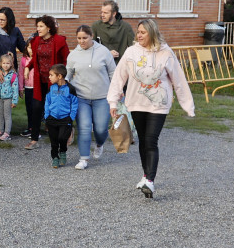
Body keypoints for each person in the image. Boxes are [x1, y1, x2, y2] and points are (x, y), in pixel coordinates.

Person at [107, 19, 195, 198]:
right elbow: (118, 78)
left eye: (143, 32)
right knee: (144, 141)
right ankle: (146, 175)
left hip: (159, 104)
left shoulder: (166, 52)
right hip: (136, 103)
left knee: (151, 140)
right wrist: (113, 102)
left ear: (152, 33)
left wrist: (187, 105)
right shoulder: (131, 52)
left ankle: (150, 182)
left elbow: (178, 80)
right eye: (138, 32)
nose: (138, 35)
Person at [65, 25, 116, 170]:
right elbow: (68, 74)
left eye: (85, 38)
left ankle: (99, 144)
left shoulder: (103, 52)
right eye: (79, 38)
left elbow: (113, 72)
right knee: (84, 127)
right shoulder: (73, 55)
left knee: (100, 129)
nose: (82, 41)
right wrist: (64, 85)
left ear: (91, 36)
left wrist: (116, 91)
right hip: (81, 97)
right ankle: (84, 158)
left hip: (102, 97)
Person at [24, 15, 70, 151]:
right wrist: (28, 67)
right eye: (37, 26)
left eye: (41, 26)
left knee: (57, 108)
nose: (38, 29)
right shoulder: (36, 41)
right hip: (40, 80)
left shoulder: (59, 41)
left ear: (49, 28)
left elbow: (67, 60)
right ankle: (34, 139)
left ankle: (65, 134)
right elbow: (34, 59)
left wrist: (63, 78)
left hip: (55, 81)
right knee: (37, 107)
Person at [44, 64, 78, 168]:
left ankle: (63, 152)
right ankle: (55, 158)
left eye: (51, 75)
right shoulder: (51, 88)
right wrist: (46, 116)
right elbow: (47, 102)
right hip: (52, 118)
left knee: (62, 138)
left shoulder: (70, 89)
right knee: (54, 141)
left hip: (65, 119)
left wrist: (71, 117)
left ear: (59, 76)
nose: (49, 77)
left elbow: (75, 104)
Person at [0, 7, 27, 80]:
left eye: (3, 20)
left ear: (9, 20)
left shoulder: (16, 31)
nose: (0, 22)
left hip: (11, 68)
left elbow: (23, 48)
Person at [0, 53, 20, 141]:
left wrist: (14, 101)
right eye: (4, 63)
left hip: (8, 98)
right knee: (0, 115)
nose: (5, 65)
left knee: (7, 115)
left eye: (8, 63)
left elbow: (15, 88)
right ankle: (0, 130)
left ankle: (7, 132)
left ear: (11, 64)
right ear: (0, 63)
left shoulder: (13, 75)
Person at [20, 40, 35, 137]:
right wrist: (21, 88)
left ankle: (35, 129)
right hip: (28, 87)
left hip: (37, 88)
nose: (31, 50)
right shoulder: (24, 60)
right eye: (29, 47)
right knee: (29, 108)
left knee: (36, 109)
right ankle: (30, 127)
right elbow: (21, 74)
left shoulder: (39, 59)